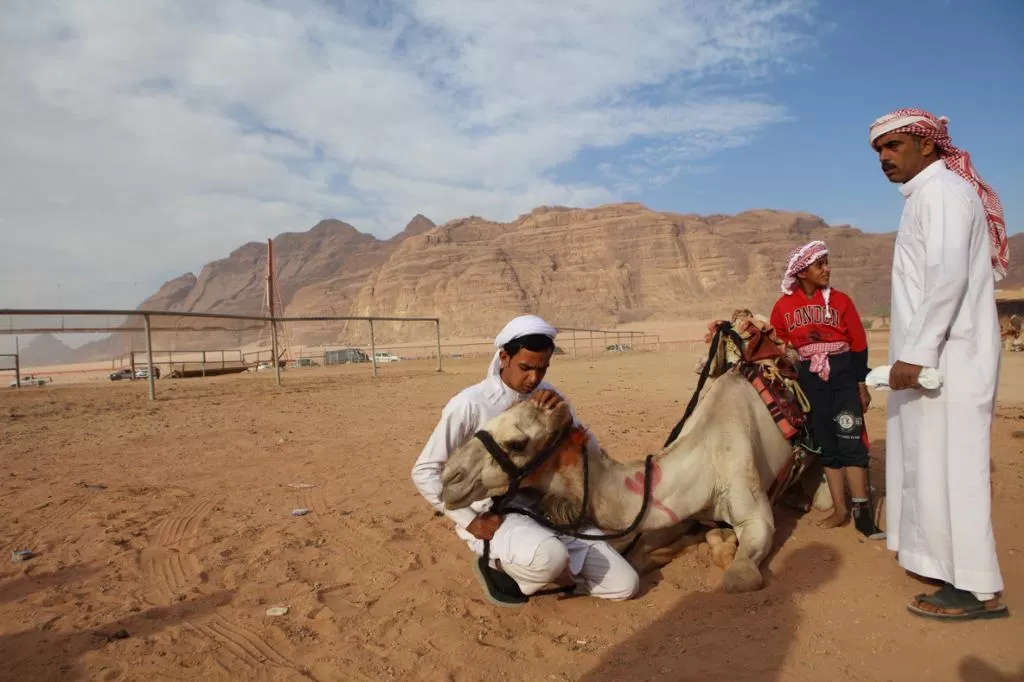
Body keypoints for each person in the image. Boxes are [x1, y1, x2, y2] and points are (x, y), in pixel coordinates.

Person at [870, 107, 1009, 620]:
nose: (884, 158)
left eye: (895, 146)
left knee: (957, 471)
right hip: (933, 360)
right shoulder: (926, 196)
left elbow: (948, 277)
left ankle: (977, 590)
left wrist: (918, 353)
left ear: (928, 145)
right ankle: (943, 563)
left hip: (949, 358)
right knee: (929, 464)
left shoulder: (945, 193)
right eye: (879, 151)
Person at [411, 314, 640, 607]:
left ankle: (553, 570)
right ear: (504, 357)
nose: (533, 379)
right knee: (551, 557)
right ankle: (497, 566)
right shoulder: (469, 404)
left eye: (542, 369)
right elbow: (425, 470)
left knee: (625, 585)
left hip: (547, 509)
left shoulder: (550, 396)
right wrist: (470, 521)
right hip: (494, 515)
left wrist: (566, 421)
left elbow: (588, 448)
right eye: (526, 368)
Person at [769, 240, 885, 540]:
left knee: (852, 443)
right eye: (820, 265)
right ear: (802, 272)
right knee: (828, 446)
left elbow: (859, 344)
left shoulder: (842, 301)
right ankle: (839, 510)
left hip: (844, 374)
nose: (827, 269)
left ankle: (863, 514)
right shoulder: (783, 307)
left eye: (826, 263)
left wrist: (861, 384)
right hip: (811, 380)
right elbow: (779, 342)